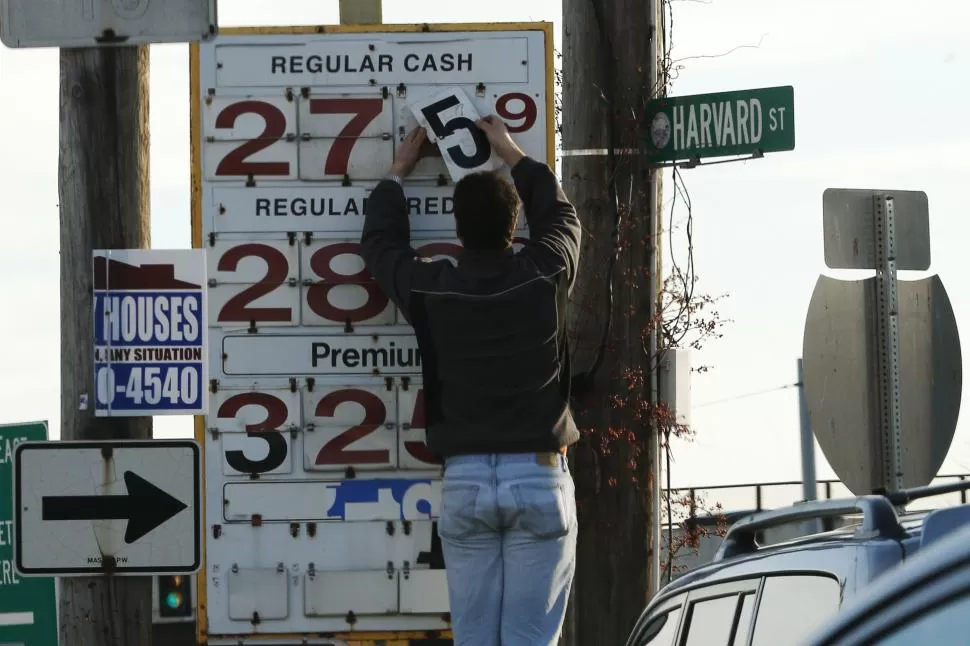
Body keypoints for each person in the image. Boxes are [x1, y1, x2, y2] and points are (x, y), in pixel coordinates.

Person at [360, 116, 582, 646]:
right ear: (515, 225)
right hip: (538, 474)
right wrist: (509, 151)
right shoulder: (545, 273)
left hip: (464, 481)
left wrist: (396, 175)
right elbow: (562, 217)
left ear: (457, 232)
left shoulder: (435, 290)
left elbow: (381, 248)